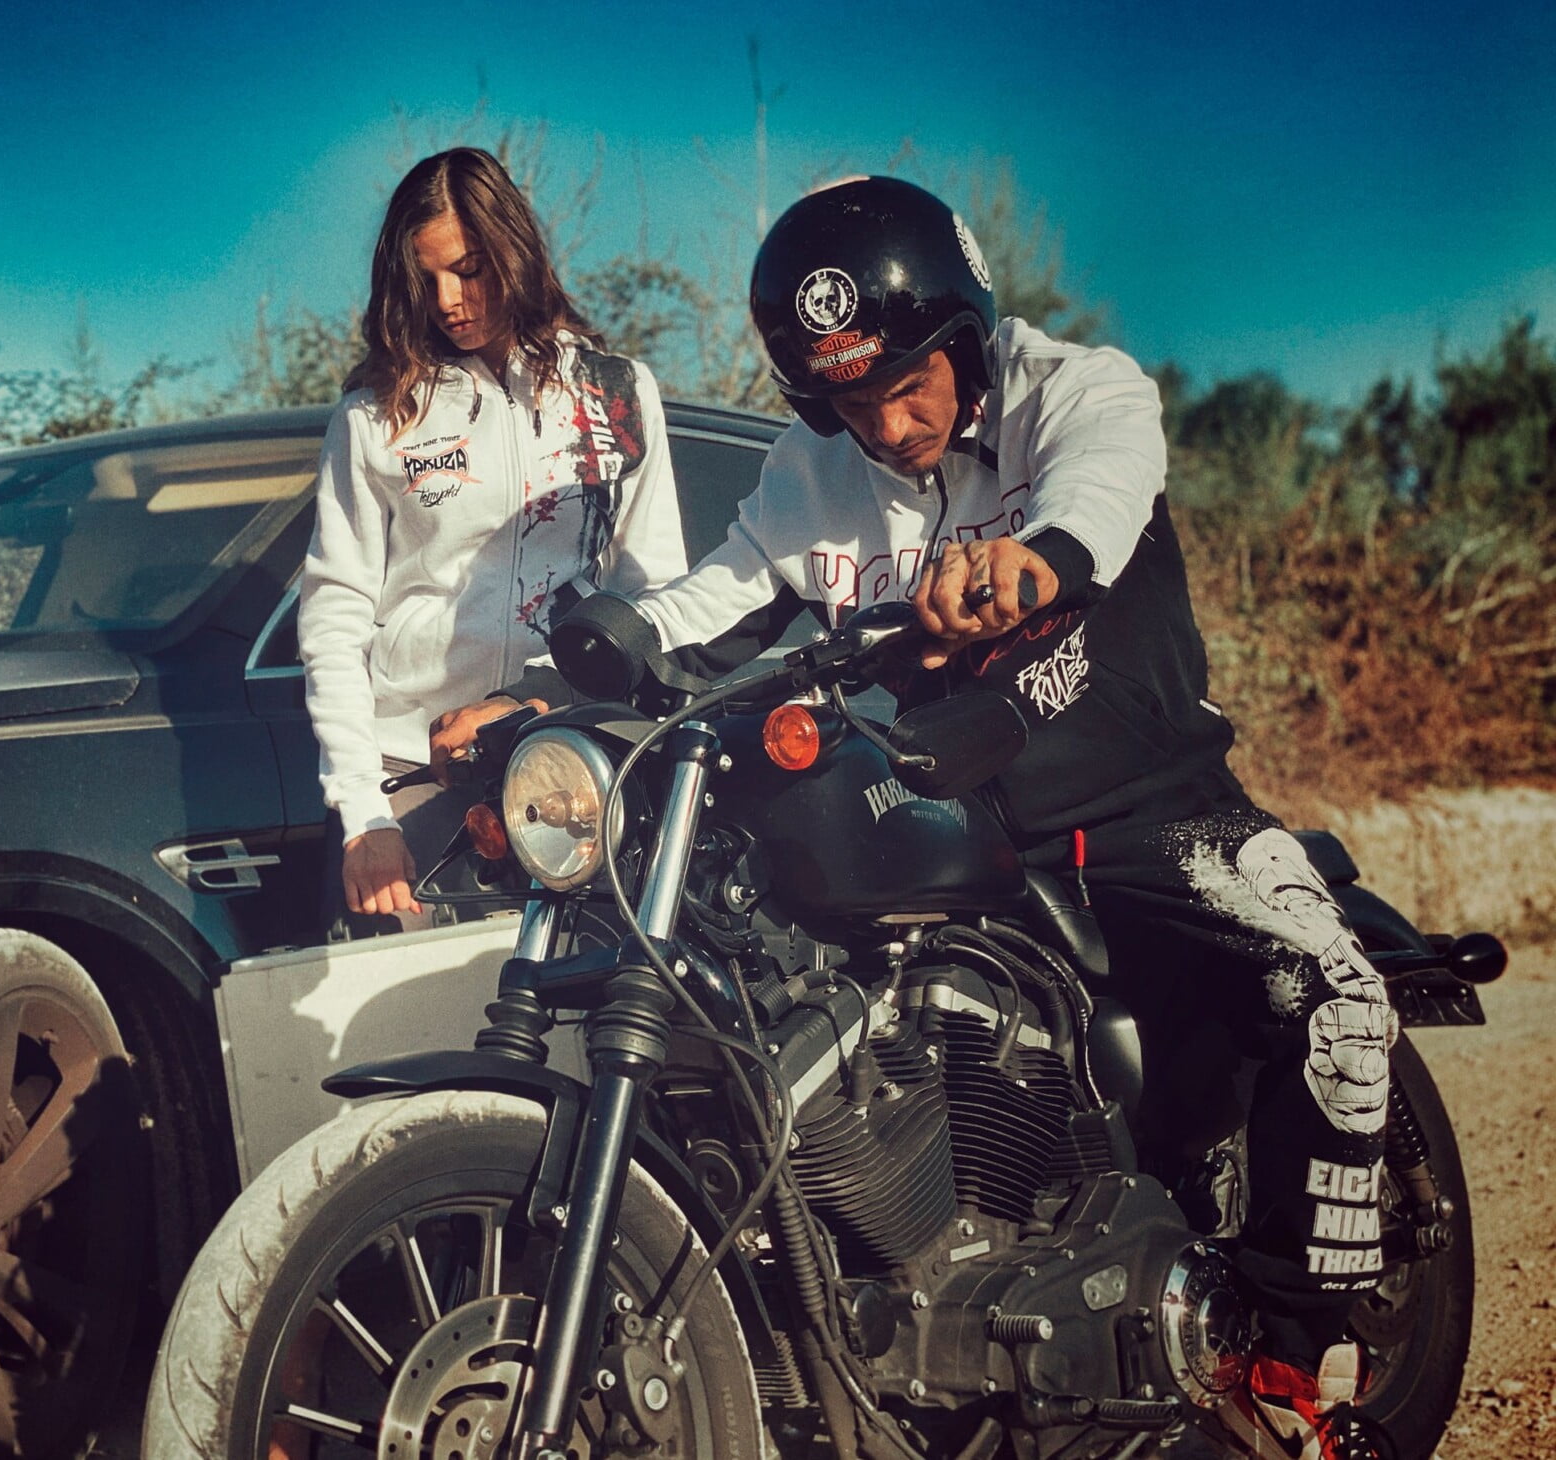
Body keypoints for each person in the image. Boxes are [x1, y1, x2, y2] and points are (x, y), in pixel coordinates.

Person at [435, 176, 1395, 1459]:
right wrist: (573, 677)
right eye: (848, 402)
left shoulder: (1078, 389)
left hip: (1147, 806)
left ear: (962, 338)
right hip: (958, 822)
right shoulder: (809, 471)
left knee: (1331, 989)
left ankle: (1291, 1363)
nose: (885, 426)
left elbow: (1101, 491)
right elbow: (715, 599)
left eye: (905, 385)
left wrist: (1035, 560)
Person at [300, 146, 687, 931]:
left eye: (469, 270)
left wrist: (561, 704)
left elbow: (652, 593)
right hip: (416, 771)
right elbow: (335, 618)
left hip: (573, 758)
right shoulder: (378, 413)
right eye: (426, 278)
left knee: (590, 1000)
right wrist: (363, 813)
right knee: (422, 1005)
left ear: (515, 251)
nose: (448, 301)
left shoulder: (616, 394)